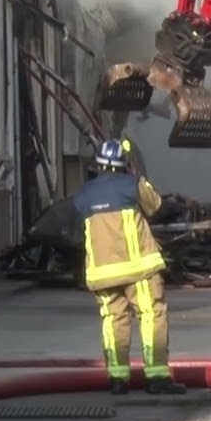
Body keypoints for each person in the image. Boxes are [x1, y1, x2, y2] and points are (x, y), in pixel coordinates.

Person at [72, 139, 186, 395]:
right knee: (151, 315)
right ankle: (157, 377)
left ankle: (118, 379)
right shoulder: (133, 185)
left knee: (113, 321)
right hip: (139, 270)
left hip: (103, 273)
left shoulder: (83, 195)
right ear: (124, 164)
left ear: (98, 165)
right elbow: (155, 206)